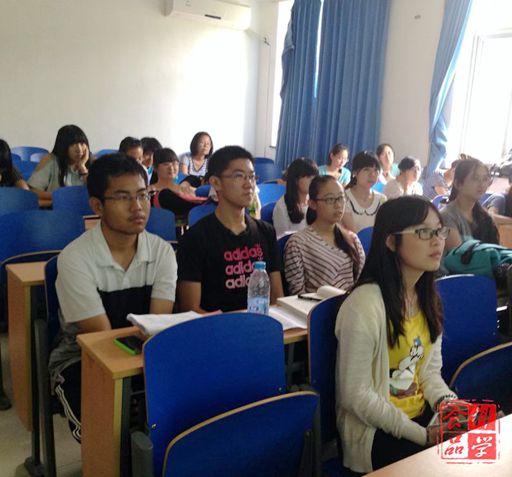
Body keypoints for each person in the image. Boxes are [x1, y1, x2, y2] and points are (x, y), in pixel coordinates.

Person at [48, 154, 177, 441]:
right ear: (97, 206)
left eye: (142, 195)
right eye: (122, 197)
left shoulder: (162, 252)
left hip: (145, 353)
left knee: (184, 415)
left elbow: (157, 325)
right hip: (83, 359)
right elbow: (101, 338)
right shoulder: (75, 258)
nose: (137, 206)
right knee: (107, 434)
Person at [336, 196, 456, 473]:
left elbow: (429, 374)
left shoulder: (427, 298)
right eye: (423, 232)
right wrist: (422, 435)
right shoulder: (364, 305)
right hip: (377, 431)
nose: (437, 241)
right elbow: (355, 396)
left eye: (439, 231)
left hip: (420, 420)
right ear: (391, 241)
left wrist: (452, 407)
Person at [177, 145, 283, 313]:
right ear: (215, 182)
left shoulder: (266, 232)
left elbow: (277, 298)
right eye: (239, 176)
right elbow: (191, 310)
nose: (249, 184)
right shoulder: (195, 238)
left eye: (252, 177)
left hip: (260, 324)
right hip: (215, 326)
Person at [284, 175, 364, 295]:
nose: (338, 205)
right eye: (330, 199)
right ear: (312, 204)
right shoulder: (298, 243)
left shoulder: (352, 239)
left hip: (351, 304)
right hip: (315, 306)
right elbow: (296, 294)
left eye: (341, 198)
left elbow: (362, 283)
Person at [441, 158, 498, 251]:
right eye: (475, 179)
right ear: (458, 184)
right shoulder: (446, 216)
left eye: (485, 179)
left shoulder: (484, 217)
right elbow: (460, 256)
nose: (481, 184)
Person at [28, 125, 92, 200]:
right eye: (73, 144)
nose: (79, 149)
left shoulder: (93, 162)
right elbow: (33, 192)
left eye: (82, 143)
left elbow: (96, 192)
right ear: (63, 146)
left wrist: (83, 168)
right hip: (56, 206)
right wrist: (61, 196)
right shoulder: (50, 160)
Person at [150, 148, 206, 217]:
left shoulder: (182, 183)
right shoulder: (154, 193)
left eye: (175, 163)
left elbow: (194, 179)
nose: (171, 168)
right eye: (166, 164)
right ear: (155, 168)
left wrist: (184, 185)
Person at [272, 158, 318, 237]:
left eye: (315, 177)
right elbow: (282, 240)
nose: (313, 181)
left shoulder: (316, 201)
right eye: (309, 177)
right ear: (296, 180)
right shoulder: (282, 208)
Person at [342, 151, 386, 233]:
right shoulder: (344, 198)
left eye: (376, 170)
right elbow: (353, 234)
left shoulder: (382, 199)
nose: (372, 174)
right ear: (355, 172)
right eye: (366, 170)